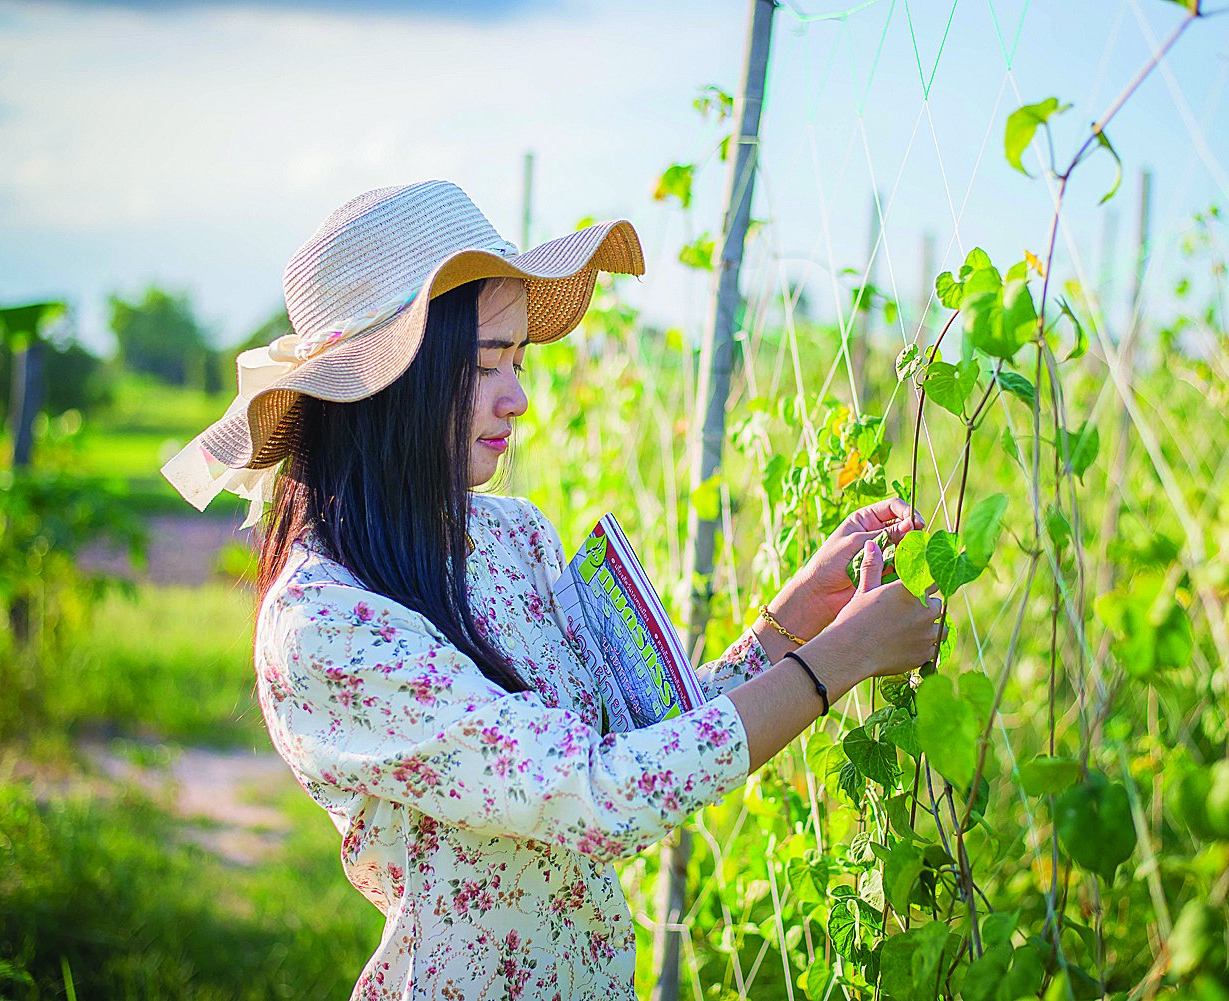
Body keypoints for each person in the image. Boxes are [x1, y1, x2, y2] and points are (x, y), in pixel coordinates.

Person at [161, 180, 943, 1001]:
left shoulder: (510, 534)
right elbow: (598, 796)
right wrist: (840, 663)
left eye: (519, 360)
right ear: (387, 386)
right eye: (483, 365)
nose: (519, 398)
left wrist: (793, 624)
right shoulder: (323, 625)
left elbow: (645, 746)